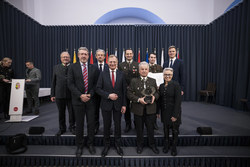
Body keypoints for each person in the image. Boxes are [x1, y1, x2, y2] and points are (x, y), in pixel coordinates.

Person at [67, 47, 99, 157]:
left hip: (90, 100)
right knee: (79, 125)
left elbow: (96, 84)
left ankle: (90, 144)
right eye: (82, 54)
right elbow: (70, 84)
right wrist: (80, 95)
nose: (84, 56)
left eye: (85, 54)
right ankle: (79, 146)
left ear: (88, 55)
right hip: (78, 100)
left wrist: (90, 94)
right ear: (78, 55)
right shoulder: (72, 67)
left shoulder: (94, 68)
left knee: (91, 124)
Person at [96, 55, 127, 157]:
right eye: (110, 62)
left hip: (118, 105)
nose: (112, 64)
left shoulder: (121, 74)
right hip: (106, 104)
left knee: (118, 126)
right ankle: (106, 146)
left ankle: (118, 145)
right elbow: (98, 89)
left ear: (117, 62)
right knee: (106, 126)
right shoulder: (102, 74)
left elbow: (124, 91)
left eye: (114, 62)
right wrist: (108, 95)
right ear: (107, 62)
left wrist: (124, 105)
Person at [127, 61, 159, 154]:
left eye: (146, 69)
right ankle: (140, 145)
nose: (144, 71)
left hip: (151, 109)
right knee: (139, 129)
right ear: (139, 70)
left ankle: (152, 144)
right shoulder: (133, 81)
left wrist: (154, 97)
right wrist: (138, 99)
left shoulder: (153, 81)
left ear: (148, 70)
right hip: (138, 109)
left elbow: (157, 92)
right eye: (142, 69)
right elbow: (128, 94)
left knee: (150, 129)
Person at [51, 51, 75, 136]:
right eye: (63, 57)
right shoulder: (56, 67)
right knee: (61, 113)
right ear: (61, 58)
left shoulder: (74, 67)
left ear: (70, 58)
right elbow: (53, 82)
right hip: (59, 95)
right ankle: (62, 128)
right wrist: (52, 94)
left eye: (67, 57)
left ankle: (72, 127)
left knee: (72, 113)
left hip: (71, 95)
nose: (65, 58)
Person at [158, 68, 181, 156]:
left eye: (169, 75)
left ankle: (174, 147)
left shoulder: (176, 85)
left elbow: (178, 101)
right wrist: (158, 112)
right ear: (163, 75)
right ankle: (166, 145)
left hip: (174, 112)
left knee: (175, 130)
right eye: (165, 74)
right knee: (166, 130)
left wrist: (175, 115)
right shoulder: (161, 86)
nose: (167, 76)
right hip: (165, 112)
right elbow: (160, 100)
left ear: (172, 75)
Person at [118, 48, 139, 132]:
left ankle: (137, 124)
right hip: (125, 90)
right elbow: (120, 78)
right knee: (126, 109)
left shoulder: (137, 64)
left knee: (137, 108)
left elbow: (139, 78)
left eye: (130, 54)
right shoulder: (121, 65)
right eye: (127, 54)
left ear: (133, 54)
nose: (129, 55)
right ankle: (128, 124)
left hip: (135, 91)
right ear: (125, 55)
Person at [93, 49, 109, 134]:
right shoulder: (92, 66)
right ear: (96, 56)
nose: (100, 56)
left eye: (101, 55)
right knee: (95, 112)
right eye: (98, 55)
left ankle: (107, 128)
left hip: (105, 94)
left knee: (106, 113)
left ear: (104, 56)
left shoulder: (108, 66)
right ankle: (96, 127)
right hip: (95, 94)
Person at [148, 53, 163, 130]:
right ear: (149, 58)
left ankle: (154, 122)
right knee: (149, 106)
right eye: (151, 57)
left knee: (156, 107)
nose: (153, 59)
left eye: (154, 57)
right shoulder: (146, 67)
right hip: (148, 90)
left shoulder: (159, 67)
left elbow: (162, 78)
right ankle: (148, 122)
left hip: (157, 90)